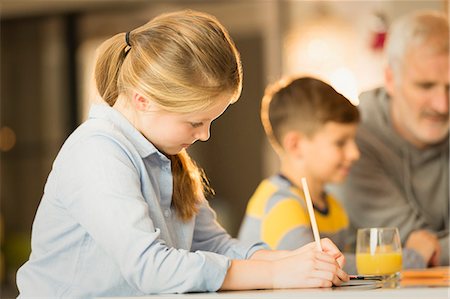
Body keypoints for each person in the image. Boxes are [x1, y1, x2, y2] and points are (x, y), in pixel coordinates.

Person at [16, 10, 348, 298]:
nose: (204, 134)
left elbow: (216, 247)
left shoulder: (165, 155)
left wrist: (295, 260)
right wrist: (276, 275)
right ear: (143, 99)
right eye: (195, 121)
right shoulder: (96, 153)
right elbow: (152, 268)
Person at [238, 76, 435, 272]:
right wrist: (412, 257)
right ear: (295, 145)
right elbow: (316, 267)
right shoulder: (280, 203)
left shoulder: (334, 207)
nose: (355, 153)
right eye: (340, 143)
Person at [329, 10, 449, 267]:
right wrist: (427, 251)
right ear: (390, 79)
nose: (442, 105)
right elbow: (408, 250)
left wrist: (435, 249)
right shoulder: (352, 141)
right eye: (425, 86)